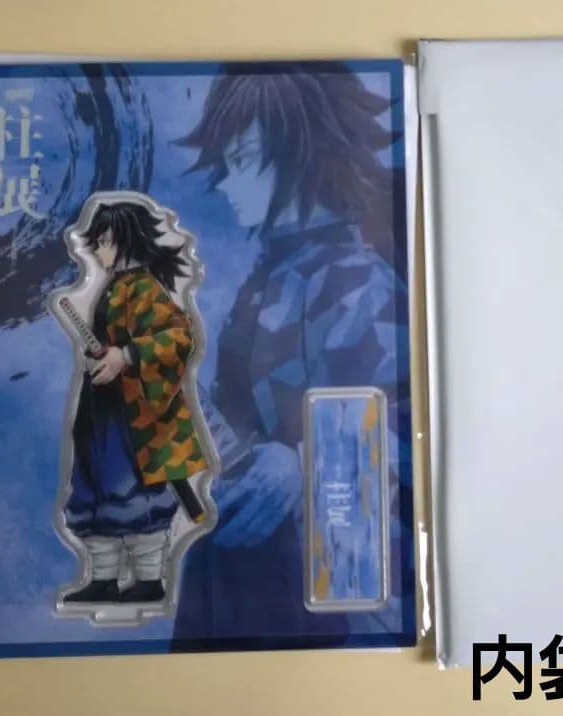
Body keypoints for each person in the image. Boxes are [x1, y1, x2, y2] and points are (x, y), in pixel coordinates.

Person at [172, 64, 409, 641]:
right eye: (227, 161)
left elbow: (406, 429)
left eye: (245, 158)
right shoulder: (272, 276)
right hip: (240, 577)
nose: (226, 182)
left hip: (319, 599)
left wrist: (301, 464)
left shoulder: (356, 284)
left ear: (306, 153)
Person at [61, 201, 207, 604]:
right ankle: (103, 577)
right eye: (97, 242)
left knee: (130, 489)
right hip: (101, 411)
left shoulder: (143, 287)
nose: (99, 250)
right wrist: (103, 355)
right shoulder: (116, 286)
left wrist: (125, 356)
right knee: (93, 486)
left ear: (126, 241)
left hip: (132, 420)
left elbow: (179, 338)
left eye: (105, 241)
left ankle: (148, 579)